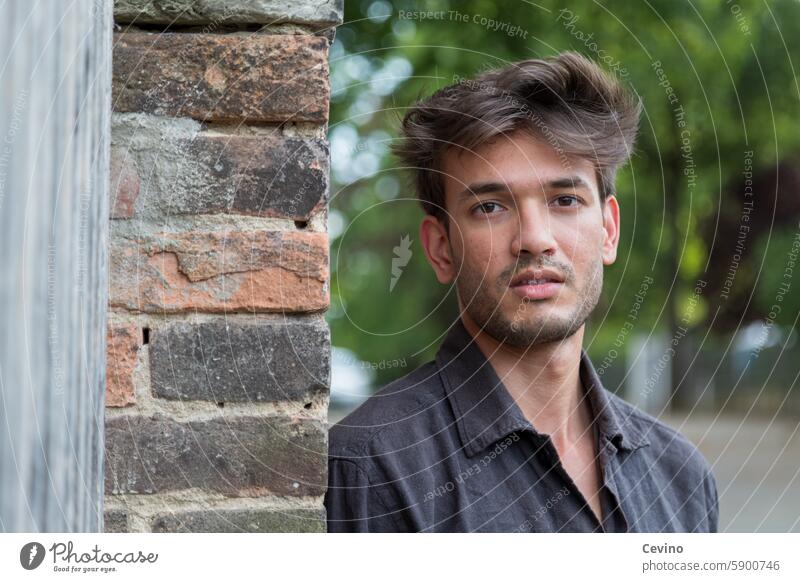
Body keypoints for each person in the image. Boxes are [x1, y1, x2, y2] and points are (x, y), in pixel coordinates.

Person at [324, 51, 719, 532]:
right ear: (441, 248)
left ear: (609, 230)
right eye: (489, 207)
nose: (534, 238)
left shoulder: (682, 479)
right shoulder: (368, 470)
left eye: (565, 200)